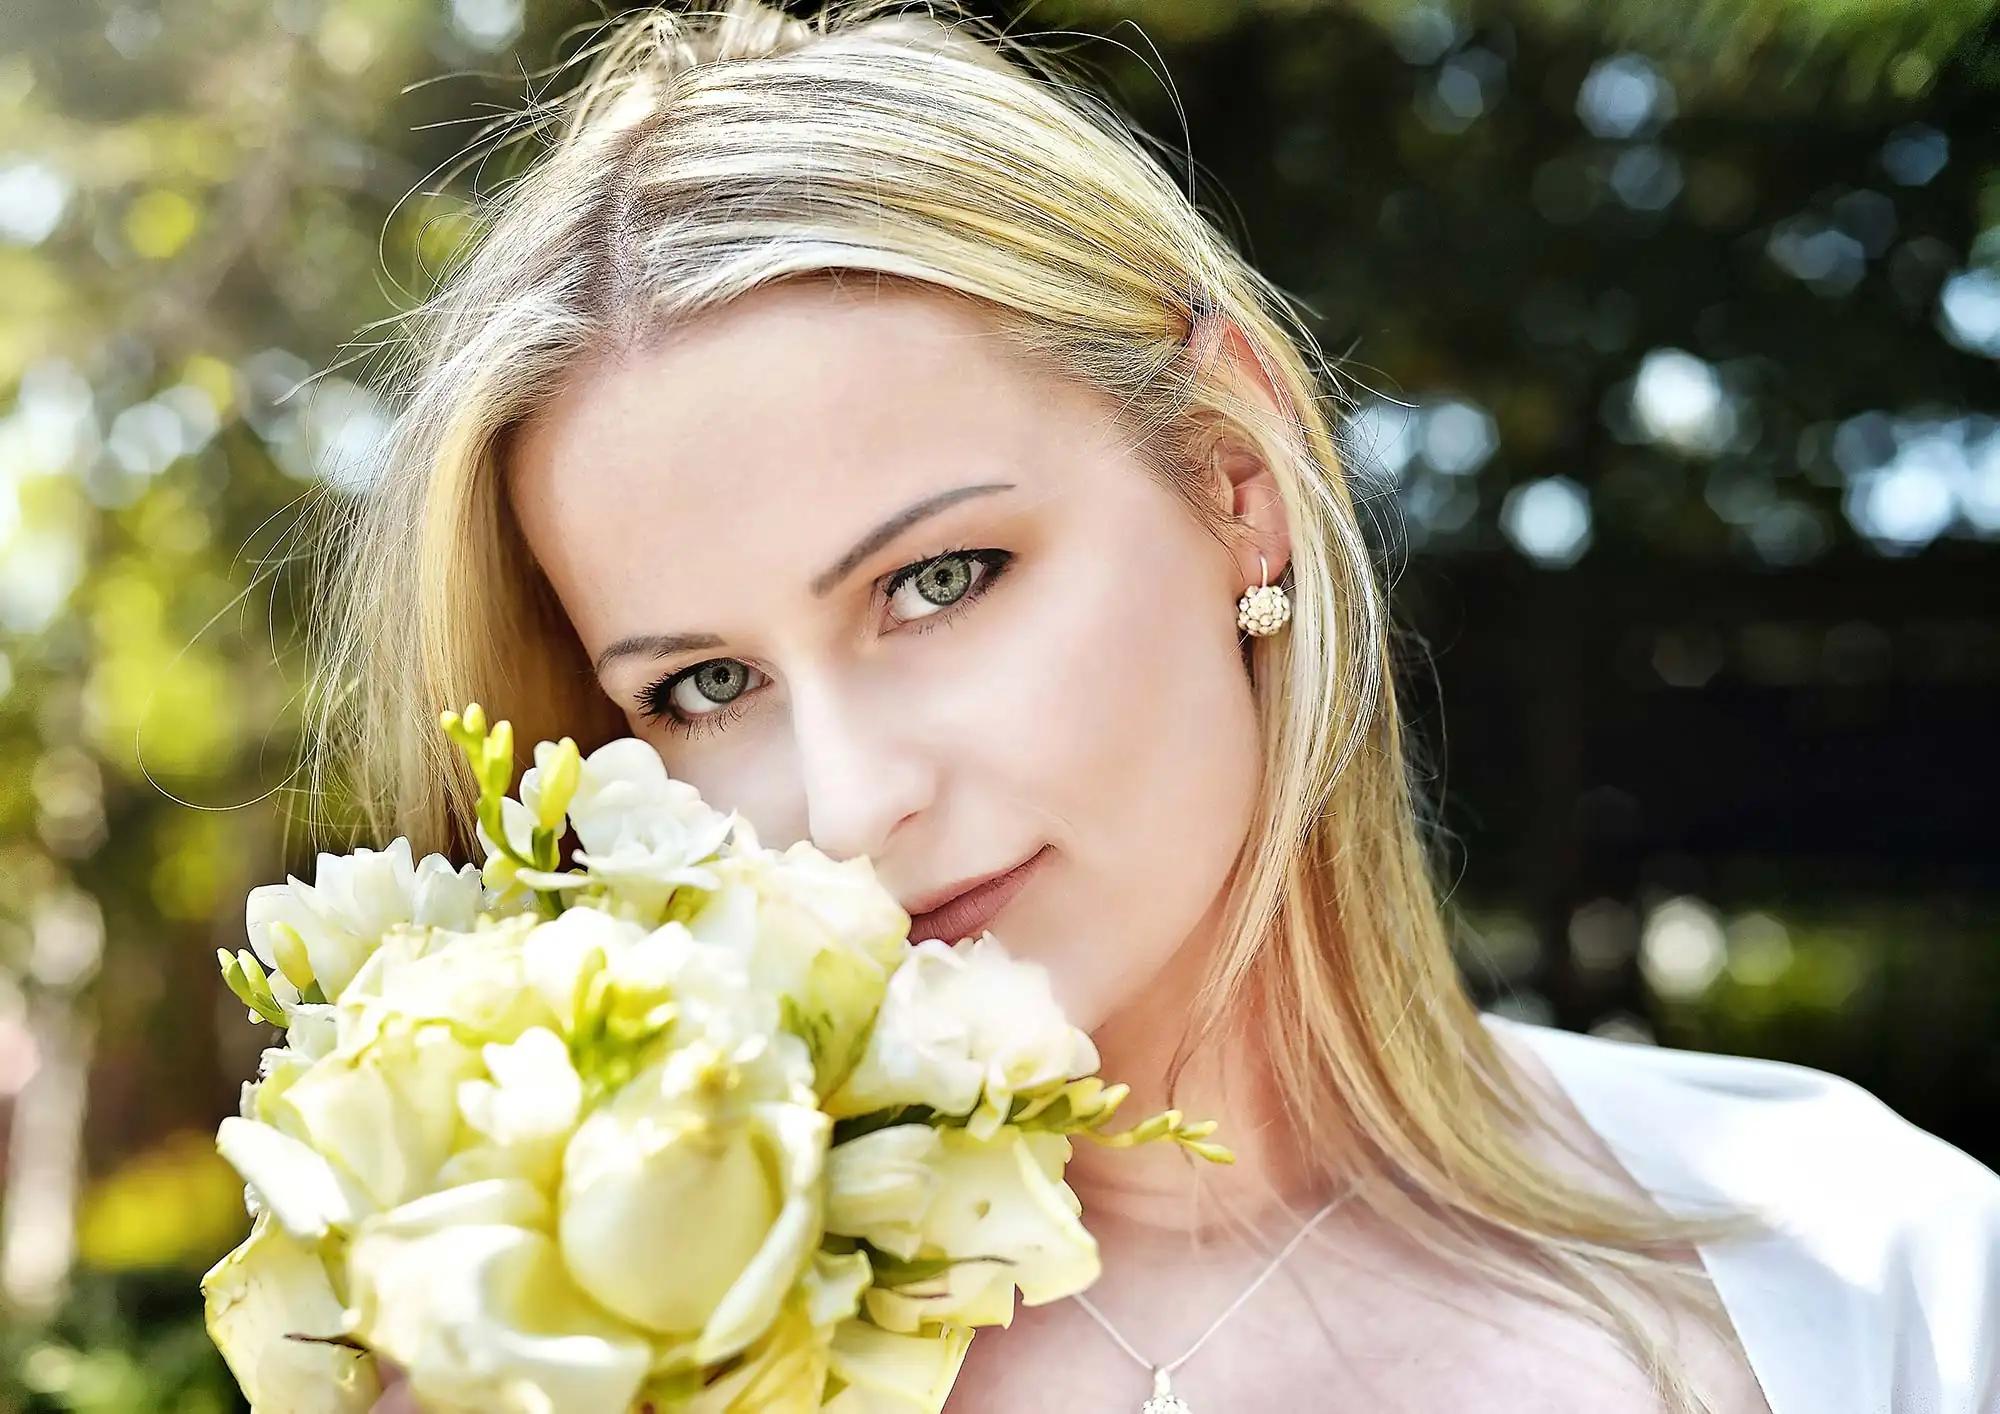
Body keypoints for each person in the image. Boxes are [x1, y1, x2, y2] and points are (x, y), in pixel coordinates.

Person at [307, 3, 2000, 1410]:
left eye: (938, 578)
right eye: (706, 685)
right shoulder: (594, 1359)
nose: (848, 803)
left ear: (1230, 473)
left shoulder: (1872, 1270)